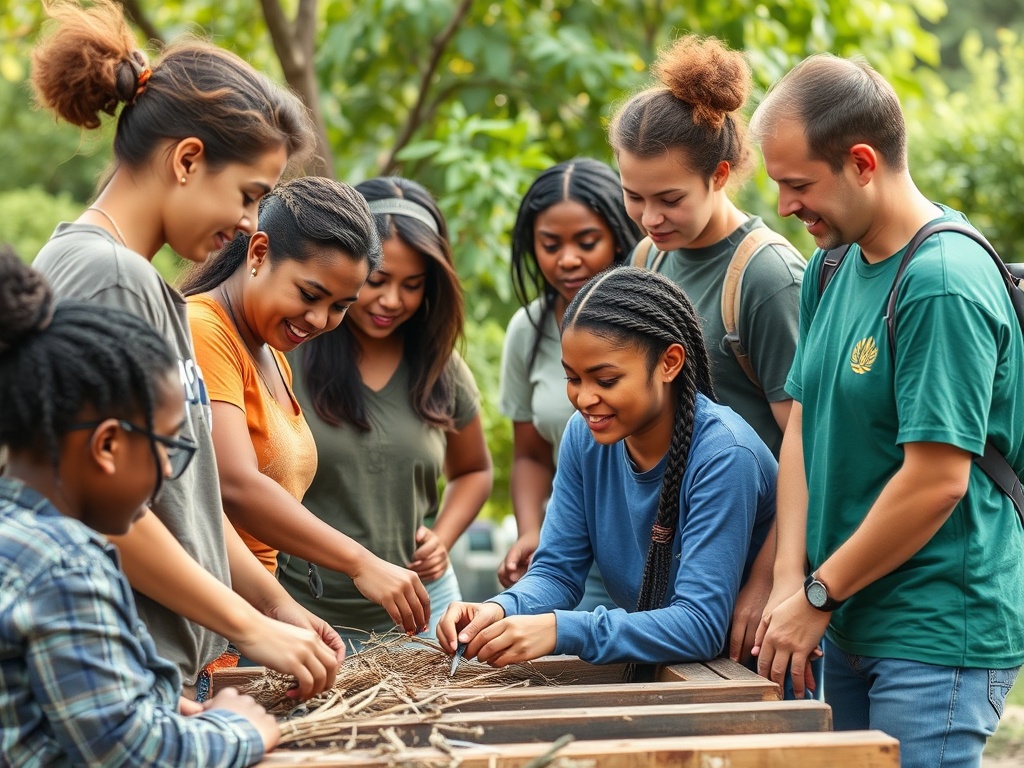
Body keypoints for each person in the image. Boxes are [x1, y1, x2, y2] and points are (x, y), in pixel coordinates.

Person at [30, 0, 342, 698]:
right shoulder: (108, 277)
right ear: (188, 159)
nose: (249, 221)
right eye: (249, 193)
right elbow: (97, 506)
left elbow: (184, 498)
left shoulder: (133, 279)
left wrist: (277, 607)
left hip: (165, 671)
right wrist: (249, 627)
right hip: (124, 675)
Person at [748, 53, 1024, 767]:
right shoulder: (830, 268)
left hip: (935, 629)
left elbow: (937, 480)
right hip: (845, 618)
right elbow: (804, 432)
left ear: (863, 163)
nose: (784, 207)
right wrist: (789, 588)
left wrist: (816, 592)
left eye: (798, 184)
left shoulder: (939, 282)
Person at [0, 249, 279, 766]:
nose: (170, 473)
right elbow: (137, 753)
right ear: (108, 446)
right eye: (168, 446)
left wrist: (144, 701)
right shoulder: (68, 564)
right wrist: (238, 728)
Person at [437, 267, 776, 682]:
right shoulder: (584, 435)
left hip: (746, 683)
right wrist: (500, 608)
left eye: (606, 379)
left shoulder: (724, 454)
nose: (584, 398)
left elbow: (700, 624)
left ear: (669, 363)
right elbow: (556, 572)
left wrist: (563, 629)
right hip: (664, 677)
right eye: (572, 378)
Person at [607, 34, 806, 672]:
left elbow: (809, 444)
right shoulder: (648, 259)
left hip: (751, 564)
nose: (648, 216)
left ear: (719, 176)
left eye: (669, 199)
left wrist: (770, 581)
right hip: (678, 563)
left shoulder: (765, 276)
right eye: (633, 196)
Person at [181, 176, 431, 634]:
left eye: (340, 306)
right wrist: (360, 562)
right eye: (310, 295)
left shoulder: (272, 352)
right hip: (206, 612)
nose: (319, 320)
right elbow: (234, 484)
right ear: (258, 253)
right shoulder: (203, 329)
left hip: (246, 613)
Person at [277, 177, 493, 647]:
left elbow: (474, 469)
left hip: (420, 614)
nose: (392, 301)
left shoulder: (442, 369)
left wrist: (443, 536)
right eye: (376, 282)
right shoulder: (287, 353)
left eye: (412, 286)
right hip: (302, 613)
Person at [497, 159, 642, 609]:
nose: (568, 259)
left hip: (653, 549)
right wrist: (530, 533)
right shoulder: (528, 329)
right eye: (550, 244)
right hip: (573, 556)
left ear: (618, 235)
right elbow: (530, 453)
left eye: (586, 241)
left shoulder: (651, 324)